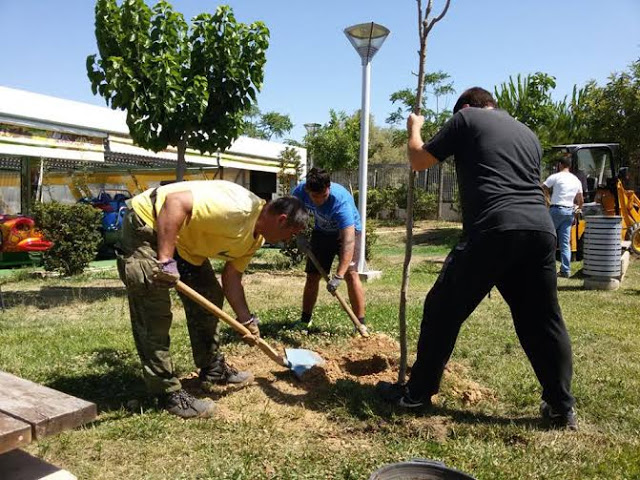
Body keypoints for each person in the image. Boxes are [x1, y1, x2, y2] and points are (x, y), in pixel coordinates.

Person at [377, 87, 577, 430]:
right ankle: (561, 407)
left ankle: (416, 395)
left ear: (467, 107)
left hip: (493, 230)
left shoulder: (466, 118)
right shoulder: (527, 133)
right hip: (539, 230)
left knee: (442, 308)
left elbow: (418, 160)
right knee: (543, 321)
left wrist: (414, 128)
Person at [117, 180, 308, 419]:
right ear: (281, 220)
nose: (287, 241)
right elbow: (174, 203)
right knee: (153, 311)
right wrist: (165, 261)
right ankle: (167, 393)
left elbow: (232, 278)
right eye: (290, 234)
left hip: (184, 242)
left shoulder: (255, 238)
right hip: (149, 224)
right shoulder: (236, 207)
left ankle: (213, 369)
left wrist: (246, 320)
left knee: (210, 294)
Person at [292, 168, 366, 329]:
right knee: (312, 276)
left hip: (349, 232)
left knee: (351, 274)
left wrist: (338, 276)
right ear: (307, 190)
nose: (319, 201)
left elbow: (348, 242)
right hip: (322, 232)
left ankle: (360, 324)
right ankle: (305, 320)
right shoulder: (299, 192)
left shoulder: (340, 201)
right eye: (314, 196)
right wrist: (299, 235)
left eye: (323, 196)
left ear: (329, 188)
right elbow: (292, 213)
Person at [543, 156, 584, 278]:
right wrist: (578, 208)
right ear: (569, 166)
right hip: (569, 212)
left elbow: (543, 187)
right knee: (565, 243)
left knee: (548, 238)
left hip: (556, 210)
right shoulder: (576, 180)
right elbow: (580, 199)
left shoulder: (556, 176)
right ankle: (565, 270)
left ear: (560, 164)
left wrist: (547, 199)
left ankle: (544, 267)